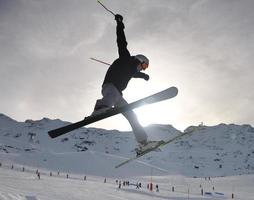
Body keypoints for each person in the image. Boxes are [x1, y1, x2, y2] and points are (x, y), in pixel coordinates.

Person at [92, 14, 158, 152]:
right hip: (109, 87)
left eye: (145, 68)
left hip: (118, 95)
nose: (143, 68)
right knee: (111, 97)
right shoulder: (126, 59)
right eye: (144, 66)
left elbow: (135, 74)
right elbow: (121, 41)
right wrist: (120, 24)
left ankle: (143, 142)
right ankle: (100, 107)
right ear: (140, 60)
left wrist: (144, 76)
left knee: (132, 115)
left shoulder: (132, 70)